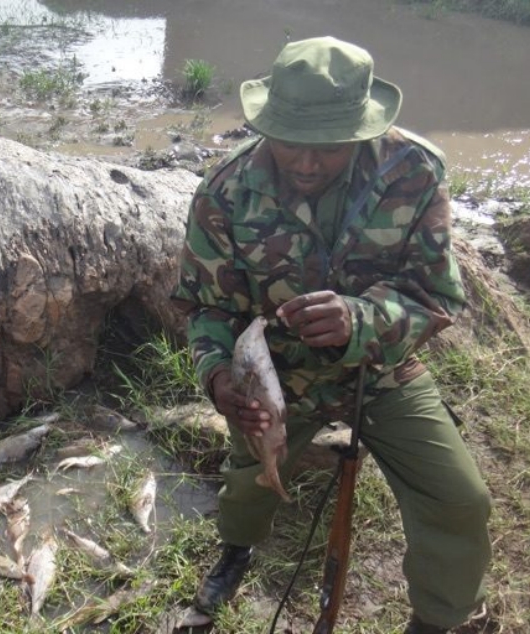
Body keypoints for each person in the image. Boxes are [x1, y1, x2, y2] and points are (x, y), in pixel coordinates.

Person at [170, 36, 491, 634]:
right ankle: (236, 550)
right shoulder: (225, 191)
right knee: (250, 483)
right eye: (292, 142)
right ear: (268, 124)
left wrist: (361, 319)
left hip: (382, 372)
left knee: (460, 500)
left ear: (361, 129)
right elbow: (205, 306)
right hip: (277, 379)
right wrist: (217, 379)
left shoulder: (412, 172)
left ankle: (437, 620)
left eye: (330, 148)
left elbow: (438, 296)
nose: (309, 163)